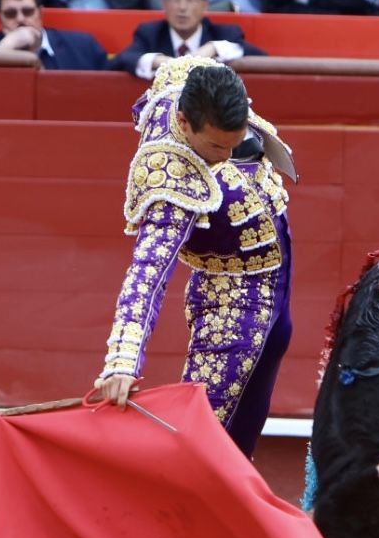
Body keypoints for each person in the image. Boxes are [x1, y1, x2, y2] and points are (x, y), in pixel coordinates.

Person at [93, 57, 296, 458]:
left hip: (278, 285)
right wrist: (122, 360)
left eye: (235, 143)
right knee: (201, 444)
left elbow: (174, 65)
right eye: (218, 147)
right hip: (232, 304)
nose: (227, 154)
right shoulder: (171, 179)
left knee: (239, 440)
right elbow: (147, 273)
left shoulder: (192, 77)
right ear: (184, 124)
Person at [110, 0, 265, 75]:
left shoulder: (224, 34)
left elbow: (262, 59)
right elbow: (121, 60)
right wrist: (162, 62)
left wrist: (214, 47)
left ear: (205, 4)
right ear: (164, 3)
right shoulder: (150, 33)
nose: (182, 7)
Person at [0, 0, 109, 68]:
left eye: (27, 11)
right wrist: (5, 48)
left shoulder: (84, 46)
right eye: (10, 14)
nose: (21, 19)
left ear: (40, 14)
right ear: (0, 20)